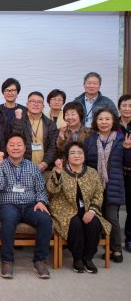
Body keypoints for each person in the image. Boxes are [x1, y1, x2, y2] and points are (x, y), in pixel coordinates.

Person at [0, 134, 52, 279]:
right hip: (8, 205)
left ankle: (39, 261)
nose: (15, 148)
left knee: (45, 219)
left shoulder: (33, 167)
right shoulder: (0, 165)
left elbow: (41, 189)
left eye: (19, 145)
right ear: (7, 148)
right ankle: (7, 261)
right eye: (12, 145)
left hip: (30, 205)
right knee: (9, 219)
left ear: (25, 148)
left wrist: (41, 201)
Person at [47, 142, 111, 273]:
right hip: (64, 211)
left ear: (84, 155)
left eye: (79, 153)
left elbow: (99, 194)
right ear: (67, 156)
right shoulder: (59, 170)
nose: (76, 156)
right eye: (72, 153)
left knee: (93, 223)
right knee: (75, 223)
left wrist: (92, 211)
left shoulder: (92, 172)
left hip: (87, 209)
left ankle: (88, 258)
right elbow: (51, 190)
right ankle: (77, 258)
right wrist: (58, 173)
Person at [84, 107, 131, 263]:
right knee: (96, 216)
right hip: (94, 185)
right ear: (96, 121)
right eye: (100, 119)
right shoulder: (91, 140)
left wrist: (128, 149)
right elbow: (86, 162)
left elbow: (127, 163)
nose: (104, 122)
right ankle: (98, 246)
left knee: (111, 217)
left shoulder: (121, 139)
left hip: (114, 184)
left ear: (113, 121)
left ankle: (116, 249)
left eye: (107, 119)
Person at [13, 92, 58, 173]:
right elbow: (14, 140)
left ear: (43, 106)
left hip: (45, 169)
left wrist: (44, 164)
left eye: (39, 102)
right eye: (32, 101)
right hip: (22, 168)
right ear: (27, 104)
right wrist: (18, 120)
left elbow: (53, 147)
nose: (36, 104)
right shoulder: (18, 121)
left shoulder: (50, 124)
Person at [117, 94, 131, 252]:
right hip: (117, 171)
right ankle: (112, 241)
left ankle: (129, 238)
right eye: (124, 105)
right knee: (113, 208)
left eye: (130, 106)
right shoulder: (113, 124)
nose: (127, 109)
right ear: (119, 107)